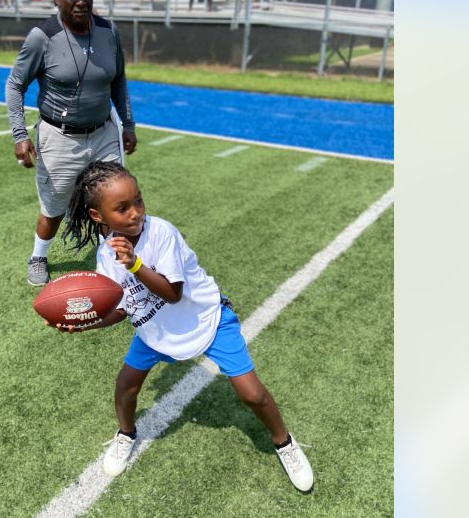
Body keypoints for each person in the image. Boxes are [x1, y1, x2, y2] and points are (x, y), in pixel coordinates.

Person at [50, 161, 315, 493]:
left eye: (139, 201)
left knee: (252, 393)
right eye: (122, 208)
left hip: (205, 318)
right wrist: (85, 324)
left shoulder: (161, 233)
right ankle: (126, 434)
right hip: (156, 329)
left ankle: (285, 442)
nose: (136, 213)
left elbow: (173, 293)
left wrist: (134, 263)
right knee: (126, 387)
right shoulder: (106, 254)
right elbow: (121, 308)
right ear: (97, 216)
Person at [5, 0, 138, 286]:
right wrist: (20, 135)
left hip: (105, 132)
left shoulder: (108, 31)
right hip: (60, 137)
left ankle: (113, 259)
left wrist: (129, 124)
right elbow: (15, 85)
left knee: (114, 201)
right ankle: (38, 255)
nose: (81, 1)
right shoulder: (42, 37)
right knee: (55, 209)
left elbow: (118, 80)